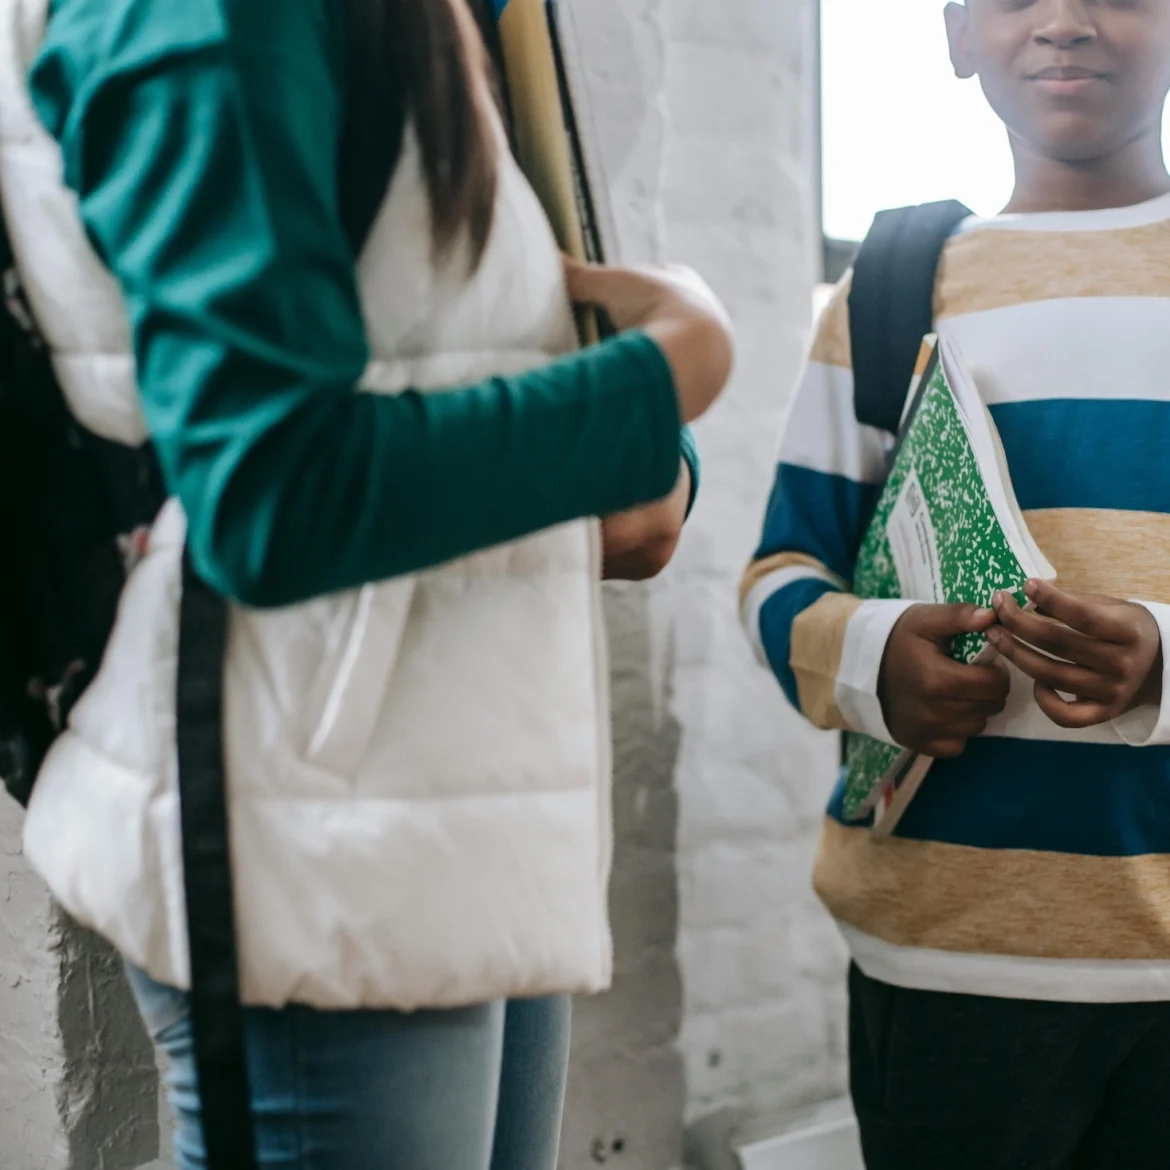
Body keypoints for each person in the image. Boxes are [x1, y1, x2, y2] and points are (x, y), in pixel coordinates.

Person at [0, 0, 733, 1167]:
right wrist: (660, 383)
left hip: (451, 787)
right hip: (311, 817)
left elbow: (459, 340)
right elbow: (270, 491)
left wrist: (643, 438)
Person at [741, 1, 1170, 1167]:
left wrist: (1162, 660)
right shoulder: (892, 291)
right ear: (956, 33)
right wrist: (878, 659)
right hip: (942, 959)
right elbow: (780, 575)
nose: (1064, 24)